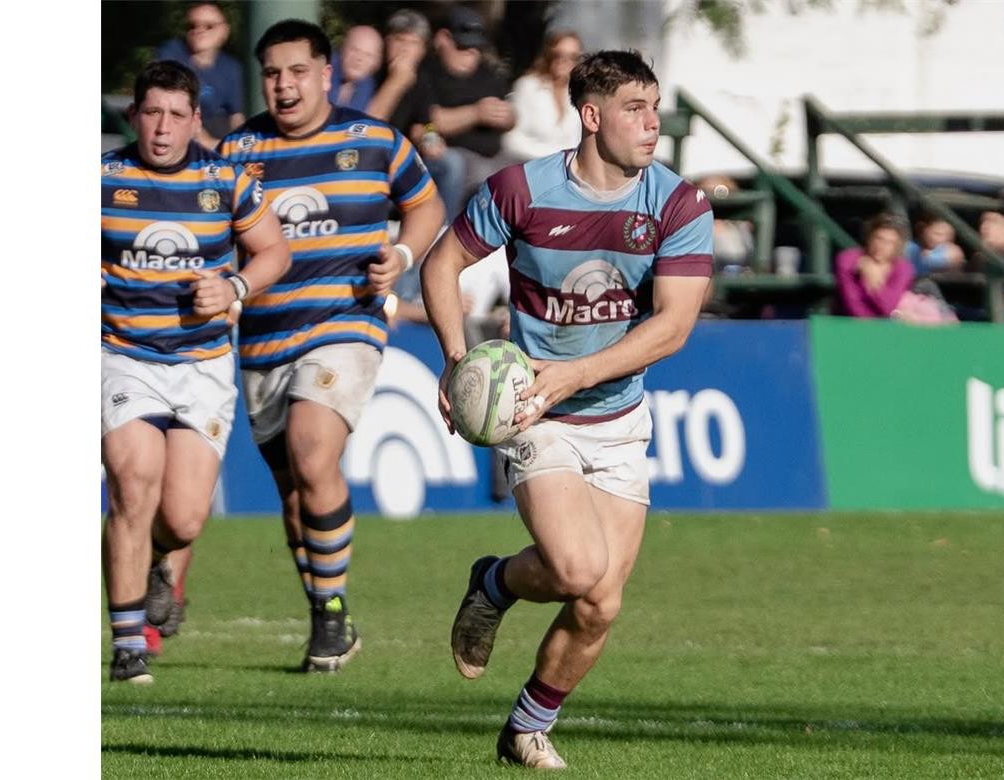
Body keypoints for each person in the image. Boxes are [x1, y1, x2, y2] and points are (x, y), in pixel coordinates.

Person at [422, 50, 713, 769]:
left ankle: (525, 724)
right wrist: (459, 361)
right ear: (591, 116)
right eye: (634, 110)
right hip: (534, 409)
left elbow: (672, 328)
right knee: (581, 569)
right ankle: (495, 585)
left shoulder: (679, 204)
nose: (652, 124)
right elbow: (441, 263)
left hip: (618, 416)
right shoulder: (523, 189)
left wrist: (577, 372)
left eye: (655, 108)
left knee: (599, 603)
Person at [217, 19, 445, 672]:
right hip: (262, 339)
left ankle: (332, 609)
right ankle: (327, 613)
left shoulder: (374, 141)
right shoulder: (238, 150)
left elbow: (425, 207)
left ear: (326, 73)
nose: (284, 86)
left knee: (313, 451)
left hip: (346, 325)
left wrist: (400, 253)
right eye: (272, 74)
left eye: (297, 71)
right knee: (294, 494)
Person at [101, 60, 290, 683]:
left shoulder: (228, 180)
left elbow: (274, 252)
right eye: (151, 113)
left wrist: (235, 285)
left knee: (182, 517)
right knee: (134, 480)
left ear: (195, 121)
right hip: (122, 355)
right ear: (133, 116)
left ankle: (158, 561)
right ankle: (128, 643)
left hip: (204, 365)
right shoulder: (101, 179)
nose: (162, 128)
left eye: (176, 115)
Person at [411, 6, 519, 219]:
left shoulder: (488, 74)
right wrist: (475, 113)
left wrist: (508, 118)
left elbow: (511, 116)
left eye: (476, 47)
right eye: (463, 46)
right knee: (461, 167)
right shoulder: (428, 73)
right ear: (443, 39)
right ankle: (446, 235)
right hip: (455, 154)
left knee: (528, 171)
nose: (471, 53)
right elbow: (429, 120)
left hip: (495, 155)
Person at [155, 1, 246, 148]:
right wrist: (210, 143)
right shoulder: (171, 55)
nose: (198, 30)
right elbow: (174, 109)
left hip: (218, 133)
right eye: (191, 25)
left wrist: (239, 145)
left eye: (208, 26)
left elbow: (236, 115)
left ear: (224, 31)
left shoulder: (231, 67)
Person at [501, 31, 583, 160]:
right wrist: (551, 158)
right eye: (558, 54)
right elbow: (511, 140)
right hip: (528, 164)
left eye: (573, 57)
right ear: (548, 55)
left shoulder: (580, 93)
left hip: (566, 168)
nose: (564, 61)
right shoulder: (527, 87)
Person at [834, 214, 915, 318]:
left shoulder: (904, 269)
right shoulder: (848, 259)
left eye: (889, 242)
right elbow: (852, 303)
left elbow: (887, 307)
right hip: (848, 325)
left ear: (897, 246)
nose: (881, 246)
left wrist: (873, 281)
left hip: (885, 327)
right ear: (869, 237)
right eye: (878, 239)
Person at [330, 25, 382, 111]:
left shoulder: (367, 85)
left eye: (368, 55)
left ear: (376, 63)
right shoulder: (321, 69)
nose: (359, 59)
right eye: (355, 50)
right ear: (343, 48)